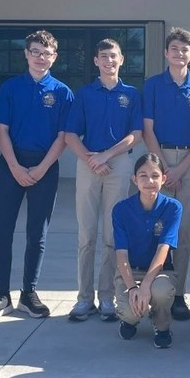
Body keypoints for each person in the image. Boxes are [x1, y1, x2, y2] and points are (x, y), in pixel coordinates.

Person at [0, 30, 73, 321]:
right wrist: (15, 167)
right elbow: (2, 130)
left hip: (45, 166)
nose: (40, 58)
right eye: (35, 52)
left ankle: (28, 293)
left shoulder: (62, 92)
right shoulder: (10, 88)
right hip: (12, 163)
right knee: (3, 231)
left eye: (46, 53)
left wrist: (41, 168)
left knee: (38, 233)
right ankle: (1, 295)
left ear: (54, 57)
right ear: (26, 54)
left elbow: (63, 137)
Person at [65, 38, 143, 322]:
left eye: (113, 56)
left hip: (119, 163)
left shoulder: (132, 94)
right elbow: (71, 134)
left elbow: (137, 134)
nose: (108, 61)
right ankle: (84, 298)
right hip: (89, 162)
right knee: (87, 235)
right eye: (103, 57)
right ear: (96, 61)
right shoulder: (85, 94)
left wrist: (107, 155)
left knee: (113, 234)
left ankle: (107, 296)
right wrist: (90, 159)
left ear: (122, 59)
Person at [142, 28, 190, 321]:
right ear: (166, 53)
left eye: (184, 49)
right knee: (156, 228)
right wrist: (162, 168)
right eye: (174, 48)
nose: (179, 53)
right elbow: (147, 129)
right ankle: (153, 291)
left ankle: (178, 293)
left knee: (184, 230)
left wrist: (181, 168)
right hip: (158, 158)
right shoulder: (153, 85)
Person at [113, 153, 182, 348]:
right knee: (130, 308)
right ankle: (129, 320)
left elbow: (163, 249)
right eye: (143, 176)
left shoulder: (173, 207)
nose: (149, 181)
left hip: (160, 272)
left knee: (161, 291)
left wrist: (146, 286)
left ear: (164, 179)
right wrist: (134, 288)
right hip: (131, 271)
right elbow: (121, 254)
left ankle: (161, 325)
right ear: (134, 179)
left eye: (155, 175)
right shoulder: (121, 209)